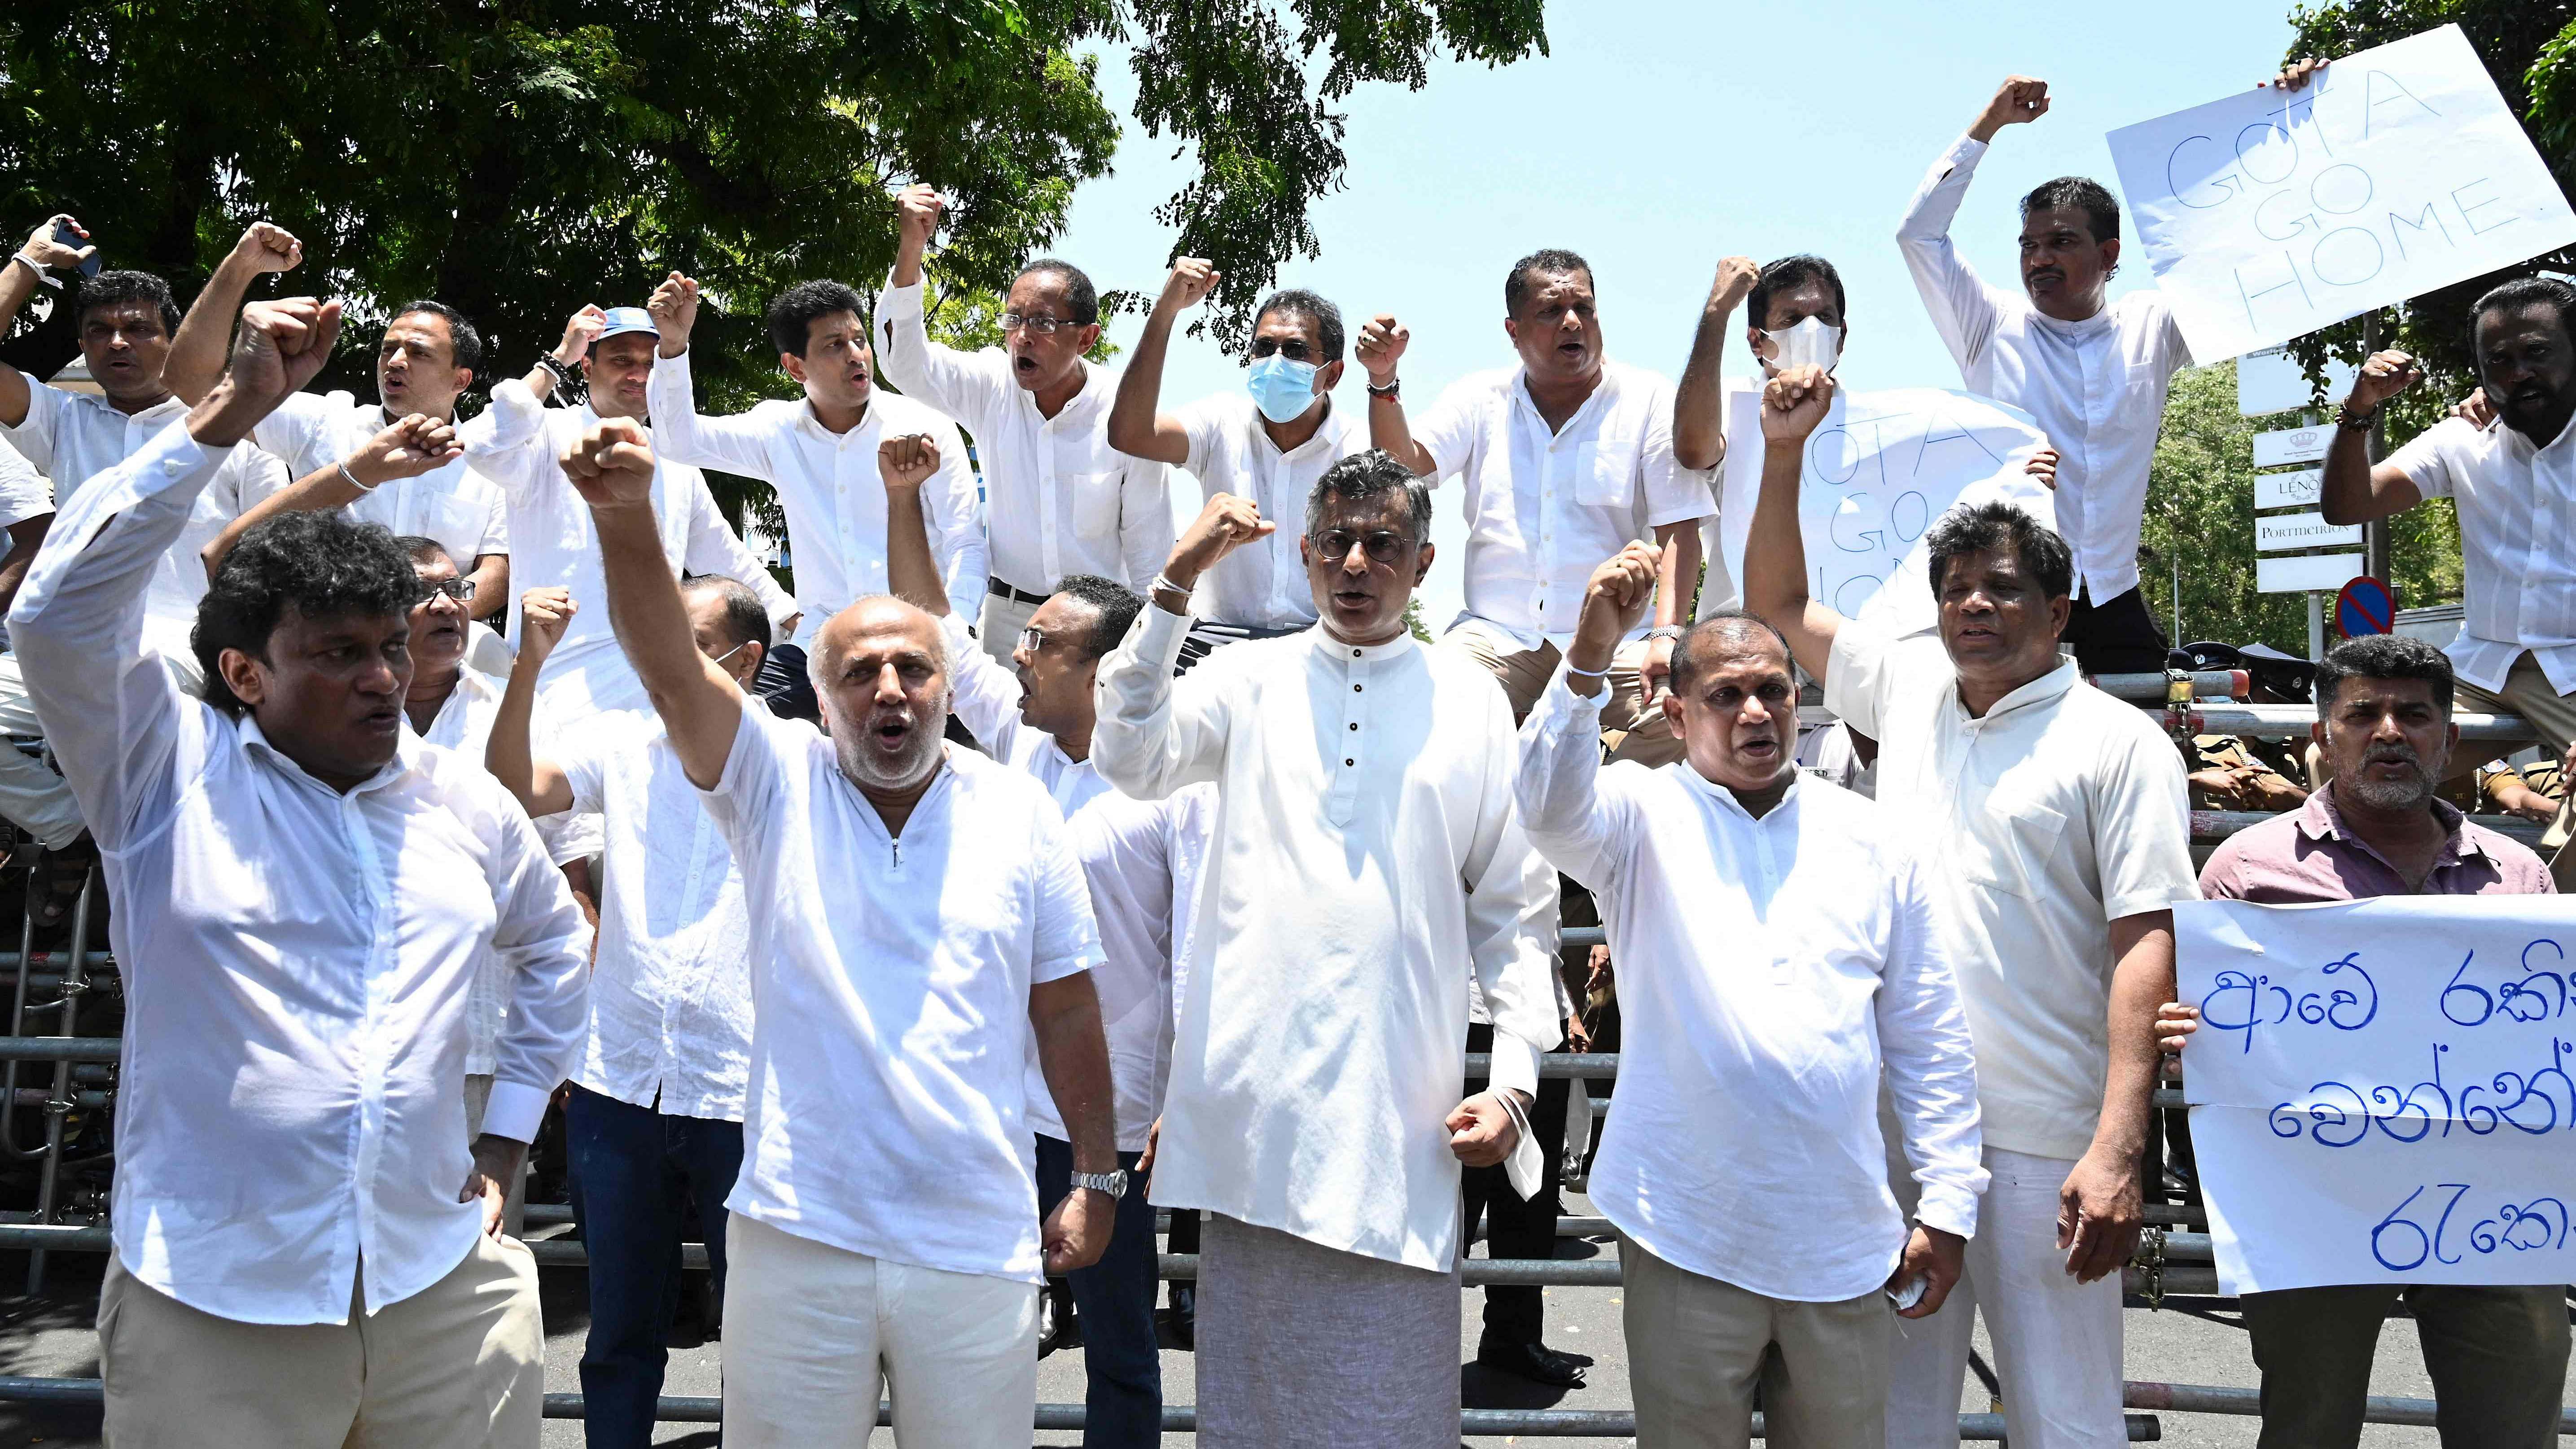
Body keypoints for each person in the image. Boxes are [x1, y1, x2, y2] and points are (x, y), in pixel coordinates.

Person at [8, 295, 588, 1445]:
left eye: (388, 647)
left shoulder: (463, 802)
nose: (383, 678)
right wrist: (228, 409)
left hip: (444, 1302)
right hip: (213, 1311)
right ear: (243, 670)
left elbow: (560, 950)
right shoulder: (160, 774)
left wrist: (506, 1137)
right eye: (336, 654)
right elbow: (58, 611)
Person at [560, 413, 1120, 1447]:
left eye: (913, 668)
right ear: (816, 699)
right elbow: (672, 669)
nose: (889, 689)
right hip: (795, 1237)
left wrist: (1094, 1176)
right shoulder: (772, 782)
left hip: (975, 1240)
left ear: (949, 688)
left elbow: (1068, 1003)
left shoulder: (1019, 809)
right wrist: (625, 518)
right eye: (859, 672)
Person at [1742, 364, 2199, 1449]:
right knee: (1891, 1421)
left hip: (2053, 1146)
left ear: (2060, 607)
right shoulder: (1906, 690)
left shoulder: (2119, 744)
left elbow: (2148, 943)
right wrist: (1784, 453)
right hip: (1899, 1136)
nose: (1975, 607)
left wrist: (2120, 1148)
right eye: (1955, 590)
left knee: (2067, 1419)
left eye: (2001, 588)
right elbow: (1777, 605)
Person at [1091, 455, 1563, 1448]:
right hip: (1252, 1121)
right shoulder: (1241, 677)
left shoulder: (1469, 701)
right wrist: (1174, 585)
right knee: (1254, 1417)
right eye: (1336, 543)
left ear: (1422, 563)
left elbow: (1515, 913)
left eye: (1381, 544)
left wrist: (1514, 1084)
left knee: (1388, 1412)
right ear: (1302, 556)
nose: (1356, 562)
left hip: (1397, 1124)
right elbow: (1129, 758)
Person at [1519, 543, 1987, 1448]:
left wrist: (1946, 1204)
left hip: (1843, 1241)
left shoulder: (1872, 840)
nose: (1754, 711)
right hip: (1683, 1229)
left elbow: (1928, 1034)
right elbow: (1542, 803)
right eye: (1725, 694)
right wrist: (1584, 657)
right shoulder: (1635, 817)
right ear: (1675, 709)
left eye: (1771, 688)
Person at [881, 433, 1209, 1448]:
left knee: (1119, 1347)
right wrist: (904, 499)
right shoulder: (1020, 746)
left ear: (1105, 671)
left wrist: (1181, 1102)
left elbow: (1195, 947)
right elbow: (935, 623)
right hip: (994, 1100)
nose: (1018, 654)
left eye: (1043, 644)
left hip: (1111, 1118)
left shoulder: (1173, 789)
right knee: (979, 1327)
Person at [2159, 633, 2568, 1449]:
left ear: (2450, 740)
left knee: (2514, 1423)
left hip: (2495, 1208)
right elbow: (2204, 1017)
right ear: (2323, 735)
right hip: (2313, 1207)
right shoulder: (2247, 871)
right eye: (2363, 714)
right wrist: (2185, 1026)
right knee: (2309, 1424)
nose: (2389, 731)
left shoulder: (2521, 878)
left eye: (2414, 715)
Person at [486, 573, 771, 1449]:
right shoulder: (622, 741)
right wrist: (527, 668)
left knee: (762, 1337)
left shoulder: (793, 757)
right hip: (619, 1084)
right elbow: (512, 784)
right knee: (618, 1333)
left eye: (681, 637)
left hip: (746, 1090)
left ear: (745, 660)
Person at [1895, 75, 2210, 674]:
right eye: (2028, 245)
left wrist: (2298, 109)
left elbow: (2253, 279)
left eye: (2061, 243)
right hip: (2014, 595)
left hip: (2114, 593)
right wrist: (1986, 127)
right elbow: (1918, 235)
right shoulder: (1988, 324)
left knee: (2152, 749)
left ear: (2109, 255)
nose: (2038, 260)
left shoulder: (2155, 325)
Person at [1357, 250, 1709, 764]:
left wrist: (1667, 636)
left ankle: (1580, 807)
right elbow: (1403, 474)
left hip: (1619, 644)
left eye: (1584, 309)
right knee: (1417, 711)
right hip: (1494, 640)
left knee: (1689, 714)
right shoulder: (1479, 398)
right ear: (1513, 330)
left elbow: (1679, 528)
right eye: (1550, 311)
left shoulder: (1648, 397)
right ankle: (1515, 812)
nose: (1572, 322)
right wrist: (1383, 380)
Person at [644, 272, 986, 720]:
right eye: (833, 345)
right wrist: (672, 349)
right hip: (820, 649)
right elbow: (678, 442)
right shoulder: (775, 431)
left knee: (947, 776)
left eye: (859, 340)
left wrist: (952, 633)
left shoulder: (924, 427)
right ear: (795, 367)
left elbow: (966, 540)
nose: (855, 355)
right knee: (736, 728)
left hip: (916, 646)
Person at [878, 185, 1171, 658]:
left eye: (1043, 323)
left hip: (1097, 627)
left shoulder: (1125, 412)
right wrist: (911, 249)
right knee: (995, 734)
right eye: (1013, 320)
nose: (1022, 337)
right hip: (1007, 622)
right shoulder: (990, 386)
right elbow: (903, 364)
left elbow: (1147, 546)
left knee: (1097, 736)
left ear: (1088, 339)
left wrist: (1145, 652)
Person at [466, 303, 795, 723]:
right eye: (622, 360)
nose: (639, 375)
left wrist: (793, 618)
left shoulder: (676, 456)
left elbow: (724, 556)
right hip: (556, 683)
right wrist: (555, 360)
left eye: (649, 364)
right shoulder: (545, 434)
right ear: (586, 366)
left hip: (652, 684)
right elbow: (480, 444)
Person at [166, 222, 513, 617]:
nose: (395, 361)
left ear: (461, 379)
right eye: (388, 349)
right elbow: (194, 384)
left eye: (418, 353)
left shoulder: (490, 461)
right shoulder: (324, 422)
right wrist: (240, 267)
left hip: (438, 653)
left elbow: (496, 572)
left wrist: (424, 627)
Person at [2320, 277, 2576, 808]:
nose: (2518, 372)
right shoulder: (2462, 437)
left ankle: (2541, 886)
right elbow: (2348, 506)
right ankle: (2417, 883)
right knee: (2333, 762)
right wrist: (2359, 408)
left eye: (2536, 353)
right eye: (2498, 361)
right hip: (2479, 668)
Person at [0, 216, 291, 671]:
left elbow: (275, 559)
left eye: (138, 329)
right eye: (99, 331)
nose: (117, 343)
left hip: (192, 660)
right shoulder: (63, 419)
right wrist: (29, 262)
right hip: (71, 656)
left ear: (175, 342)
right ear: (82, 345)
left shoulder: (236, 429)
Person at [1106, 259, 1366, 665]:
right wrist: (1165, 313)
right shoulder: (1219, 422)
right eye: (1264, 348)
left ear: (1332, 375)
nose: (1275, 361)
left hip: (1324, 645)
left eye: (1295, 350)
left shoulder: (1358, 448)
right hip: (1214, 643)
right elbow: (1129, 433)